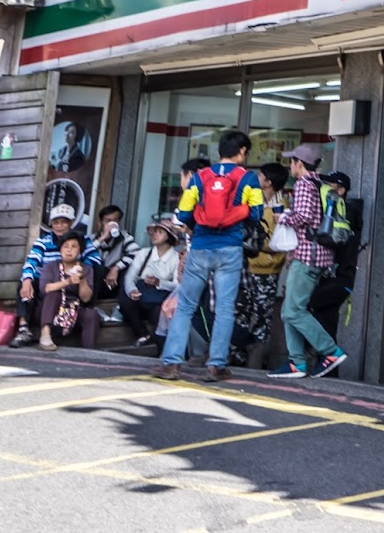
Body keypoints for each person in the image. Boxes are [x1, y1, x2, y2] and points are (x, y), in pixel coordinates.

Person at [156, 128, 265, 383]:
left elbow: (183, 214)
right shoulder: (248, 178)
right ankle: (216, 365)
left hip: (202, 247)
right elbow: (257, 214)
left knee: (185, 306)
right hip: (230, 248)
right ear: (242, 152)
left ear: (219, 152)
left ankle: (171, 363)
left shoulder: (200, 177)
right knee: (225, 308)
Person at [269, 144, 350, 379]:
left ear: (299, 163)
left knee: (294, 310)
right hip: (320, 256)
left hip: (307, 256)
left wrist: (283, 217)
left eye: (291, 161)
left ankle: (330, 351)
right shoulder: (322, 184)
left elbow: (303, 216)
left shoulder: (304, 184)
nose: (290, 166)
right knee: (289, 310)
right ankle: (297, 362)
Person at [17, 200, 102, 347]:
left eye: (64, 222)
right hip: (48, 282)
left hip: (74, 292)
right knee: (26, 284)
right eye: (56, 222)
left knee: (97, 271)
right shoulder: (43, 243)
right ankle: (25, 328)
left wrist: (82, 273)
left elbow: (94, 259)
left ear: (72, 223)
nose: (60, 226)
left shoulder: (83, 241)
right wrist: (27, 279)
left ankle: (89, 350)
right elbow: (32, 263)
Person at [236, 162, 291, 366]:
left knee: (261, 316)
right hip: (247, 267)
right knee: (241, 313)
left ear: (268, 181)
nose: (257, 179)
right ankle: (239, 357)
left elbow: (278, 241)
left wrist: (253, 243)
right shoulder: (253, 201)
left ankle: (256, 361)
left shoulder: (281, 207)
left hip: (267, 270)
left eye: (260, 176)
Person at [307, 171, 362, 342]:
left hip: (339, 280)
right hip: (333, 278)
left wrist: (311, 235)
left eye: (329, 186)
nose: (324, 190)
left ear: (341, 191)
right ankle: (327, 362)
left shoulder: (347, 215)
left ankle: (307, 356)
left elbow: (332, 240)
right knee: (327, 325)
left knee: (297, 306)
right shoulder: (338, 213)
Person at [119, 215, 184, 347]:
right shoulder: (143, 253)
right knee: (126, 304)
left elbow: (178, 285)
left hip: (159, 298)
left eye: (160, 232)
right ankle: (143, 334)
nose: (155, 235)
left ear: (169, 237)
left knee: (159, 314)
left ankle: (163, 350)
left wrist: (159, 283)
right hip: (142, 293)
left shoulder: (176, 258)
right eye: (154, 232)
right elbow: (130, 276)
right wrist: (132, 290)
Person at [36, 231, 96, 348]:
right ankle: (45, 335)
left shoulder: (86, 269)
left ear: (80, 250)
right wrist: (67, 282)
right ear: (60, 249)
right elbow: (45, 289)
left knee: (92, 314)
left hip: (73, 311)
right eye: (65, 246)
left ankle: (89, 351)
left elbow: (86, 298)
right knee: (54, 294)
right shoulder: (51, 266)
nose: (69, 250)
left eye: (74, 247)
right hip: (50, 310)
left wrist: (82, 279)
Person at [93, 205, 138, 298]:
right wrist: (103, 238)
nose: (112, 224)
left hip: (115, 278)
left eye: (115, 220)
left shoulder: (125, 237)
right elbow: (84, 253)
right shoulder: (93, 238)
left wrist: (116, 268)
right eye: (108, 221)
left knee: (127, 271)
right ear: (101, 222)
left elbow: (136, 253)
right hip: (96, 278)